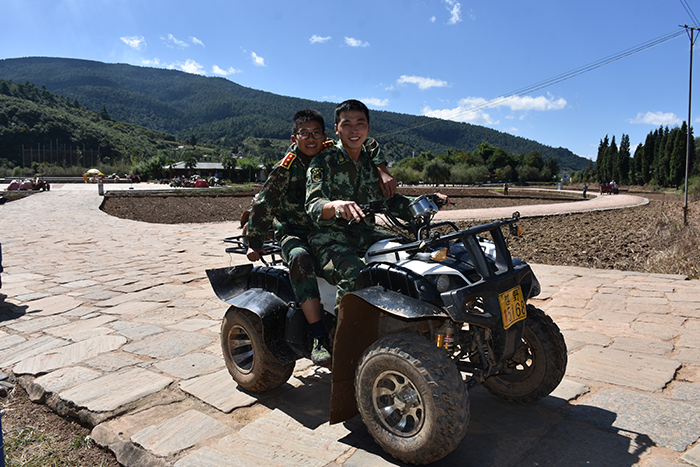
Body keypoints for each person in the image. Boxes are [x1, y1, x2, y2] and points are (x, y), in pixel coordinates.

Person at [245, 108, 394, 366]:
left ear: (325, 136)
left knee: (390, 246)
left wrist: (381, 169)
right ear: (294, 138)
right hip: (296, 231)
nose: (311, 139)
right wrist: (254, 243)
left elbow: (367, 142)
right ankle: (319, 335)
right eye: (304, 134)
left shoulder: (330, 152)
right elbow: (264, 204)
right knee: (301, 259)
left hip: (328, 228)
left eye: (316, 133)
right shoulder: (286, 168)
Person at [306, 99, 448, 311]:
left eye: (360, 124)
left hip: (366, 235)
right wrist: (336, 205)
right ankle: (344, 328)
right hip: (328, 241)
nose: (354, 130)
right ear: (336, 129)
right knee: (355, 273)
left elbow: (390, 201)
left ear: (368, 127)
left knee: (409, 253)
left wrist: (428, 201)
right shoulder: (323, 162)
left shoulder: (372, 164)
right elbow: (313, 204)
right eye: (346, 124)